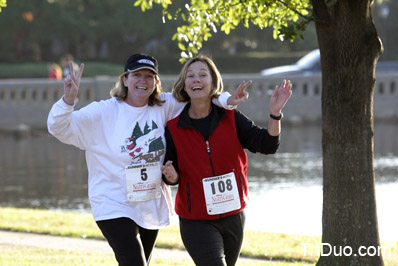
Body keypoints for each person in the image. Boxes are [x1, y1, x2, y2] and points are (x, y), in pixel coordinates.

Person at [47, 53, 248, 266]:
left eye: (149, 76)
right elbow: (58, 127)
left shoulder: (164, 105)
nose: (143, 81)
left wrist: (227, 100)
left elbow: (200, 96)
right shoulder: (104, 111)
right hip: (112, 201)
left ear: (155, 82)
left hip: (148, 202)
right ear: (125, 79)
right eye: (137, 75)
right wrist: (68, 101)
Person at [161, 54, 292, 266]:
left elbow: (267, 145)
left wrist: (275, 114)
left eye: (203, 75)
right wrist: (172, 176)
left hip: (234, 216)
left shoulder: (231, 118)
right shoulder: (174, 128)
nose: (196, 79)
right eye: (191, 75)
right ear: (184, 85)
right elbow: (171, 175)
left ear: (213, 83)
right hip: (196, 221)